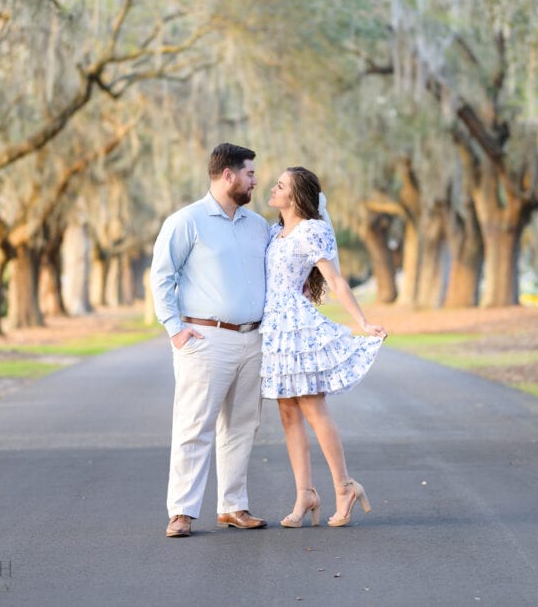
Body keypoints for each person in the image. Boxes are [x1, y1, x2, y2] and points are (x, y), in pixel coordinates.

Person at [150, 143, 271, 538]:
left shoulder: (258, 226)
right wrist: (175, 329)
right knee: (194, 425)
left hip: (252, 339)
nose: (255, 181)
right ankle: (182, 511)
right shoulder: (187, 221)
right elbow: (161, 277)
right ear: (228, 175)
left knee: (242, 425)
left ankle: (233, 506)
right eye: (250, 174)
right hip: (205, 338)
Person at [260, 166, 387, 528]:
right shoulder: (275, 232)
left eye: (280, 185)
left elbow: (335, 280)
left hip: (297, 327)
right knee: (287, 412)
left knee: (313, 407)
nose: (272, 188)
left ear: (296, 196)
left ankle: (344, 486)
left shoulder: (312, 230)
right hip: (275, 329)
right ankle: (305, 494)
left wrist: (362, 322)